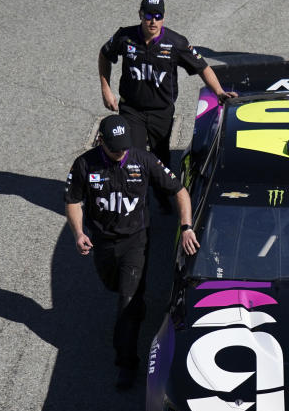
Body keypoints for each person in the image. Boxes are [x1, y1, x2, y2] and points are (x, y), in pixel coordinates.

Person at [65, 115, 200, 389]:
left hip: (136, 242)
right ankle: (135, 303)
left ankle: (126, 363)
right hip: (102, 242)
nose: (120, 153)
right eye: (115, 149)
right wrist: (79, 233)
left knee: (126, 303)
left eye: (124, 148)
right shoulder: (84, 165)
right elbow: (73, 200)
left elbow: (180, 191)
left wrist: (186, 226)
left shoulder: (143, 160)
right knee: (113, 286)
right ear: (101, 141)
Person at [98, 0, 236, 169]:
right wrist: (105, 89)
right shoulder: (125, 37)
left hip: (161, 111)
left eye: (158, 16)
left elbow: (202, 67)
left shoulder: (175, 43)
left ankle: (164, 196)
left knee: (160, 161)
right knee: (133, 159)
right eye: (148, 16)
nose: (153, 21)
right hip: (132, 109)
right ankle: (139, 196)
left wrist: (219, 92)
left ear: (163, 17)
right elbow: (104, 55)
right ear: (140, 15)